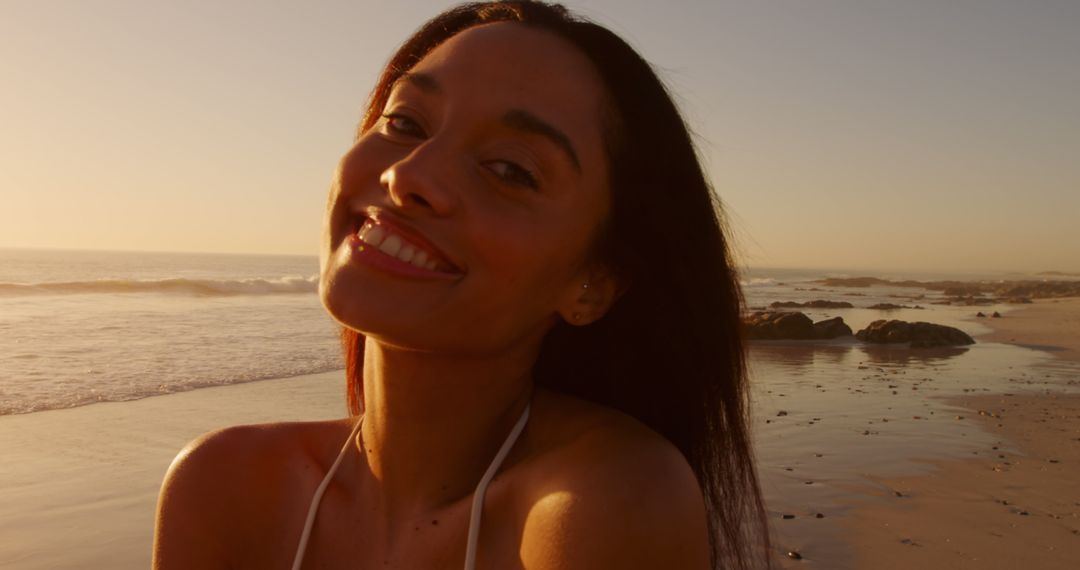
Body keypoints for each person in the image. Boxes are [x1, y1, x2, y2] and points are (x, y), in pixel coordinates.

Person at [152, 2, 770, 569]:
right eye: (406, 122)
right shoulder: (223, 482)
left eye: (509, 170)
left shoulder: (607, 500)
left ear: (593, 284)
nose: (408, 174)